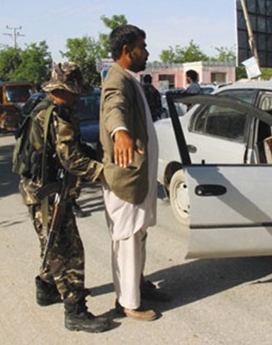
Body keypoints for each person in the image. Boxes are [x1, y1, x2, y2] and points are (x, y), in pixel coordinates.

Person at [20, 62, 110, 333]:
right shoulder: (57, 116)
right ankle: (75, 311)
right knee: (68, 251)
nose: (78, 96)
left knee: (52, 244)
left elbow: (73, 150)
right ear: (62, 90)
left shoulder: (45, 109)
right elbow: (71, 159)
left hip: (39, 192)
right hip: (48, 197)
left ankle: (47, 288)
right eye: (74, 92)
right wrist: (105, 173)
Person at [99, 24, 170, 322]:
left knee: (139, 235)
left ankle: (138, 284)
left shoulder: (130, 78)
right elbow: (113, 107)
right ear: (128, 52)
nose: (147, 52)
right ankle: (127, 303)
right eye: (143, 46)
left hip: (140, 179)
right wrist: (120, 133)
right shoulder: (116, 79)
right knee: (127, 238)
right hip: (126, 181)